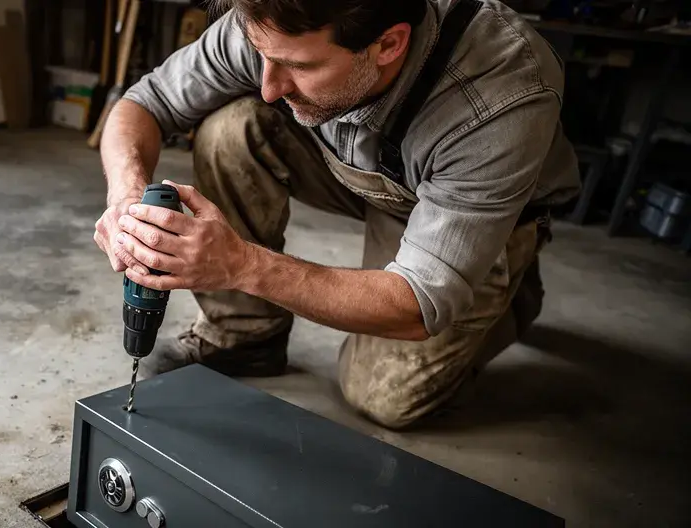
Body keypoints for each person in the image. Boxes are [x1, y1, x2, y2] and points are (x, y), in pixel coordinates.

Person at [92, 0, 581, 429]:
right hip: (355, 167)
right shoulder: (275, 21)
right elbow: (144, 103)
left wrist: (241, 265)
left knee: (382, 398)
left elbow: (417, 304)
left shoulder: (502, 94)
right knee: (230, 129)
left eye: (297, 67)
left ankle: (510, 293)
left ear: (388, 44)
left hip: (468, 205)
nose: (269, 85)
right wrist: (125, 199)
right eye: (263, 57)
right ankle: (244, 335)